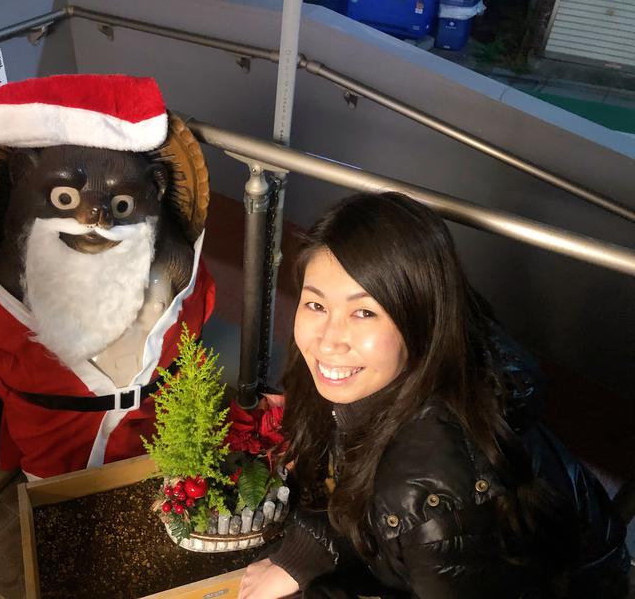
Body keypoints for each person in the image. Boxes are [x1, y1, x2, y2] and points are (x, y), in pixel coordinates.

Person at [239, 193, 630, 598]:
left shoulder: (440, 485)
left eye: (364, 312)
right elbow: (358, 479)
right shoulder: (410, 362)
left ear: (419, 316)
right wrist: (307, 553)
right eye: (316, 304)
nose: (328, 341)